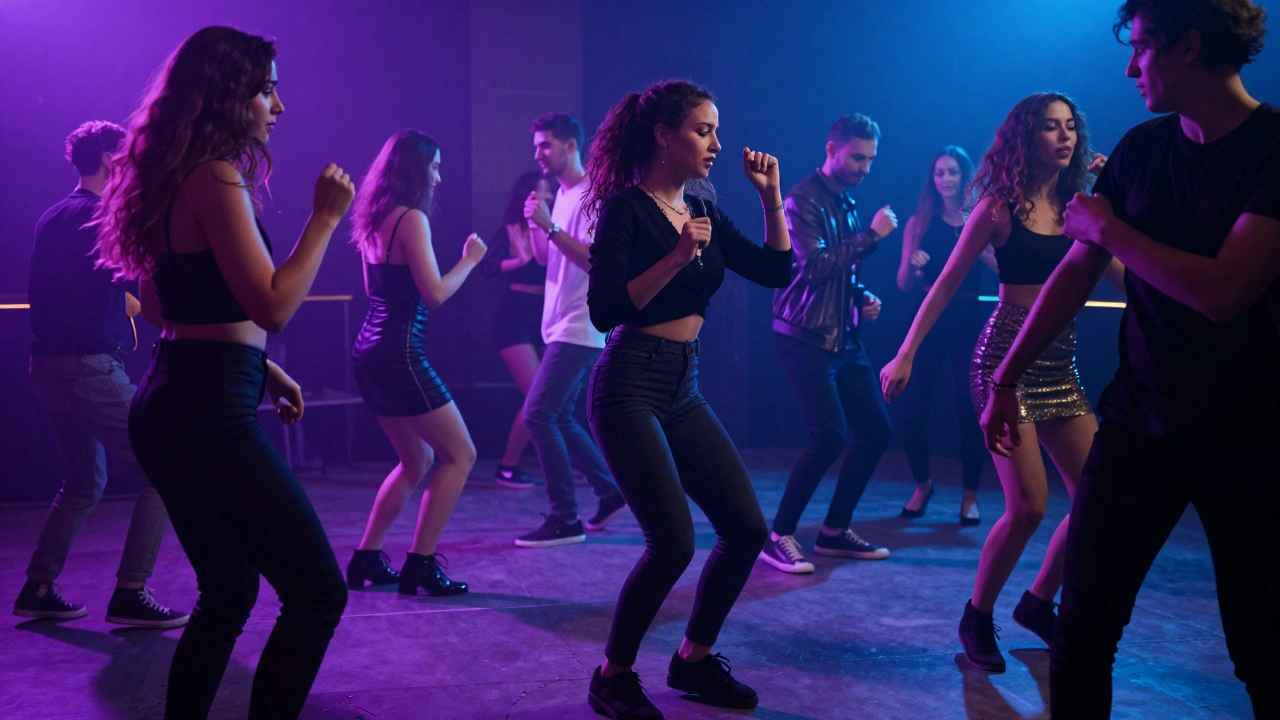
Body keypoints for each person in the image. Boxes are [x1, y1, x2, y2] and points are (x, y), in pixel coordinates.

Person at [979, 2, 1279, 716]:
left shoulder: (1272, 149)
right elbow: (1073, 275)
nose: (1129, 66)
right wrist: (1006, 377)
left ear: (1187, 47)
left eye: (1141, 48)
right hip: (1139, 424)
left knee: (1262, 646)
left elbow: (1223, 292)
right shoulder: (1144, 149)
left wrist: (1112, 229)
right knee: (1083, 633)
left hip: (1250, 437)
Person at [93, 26, 352, 718]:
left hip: (174, 397)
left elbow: (159, 304)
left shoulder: (174, 173)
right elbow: (273, 306)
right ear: (229, 94)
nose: (279, 105)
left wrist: (258, 367)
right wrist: (324, 221)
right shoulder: (214, 175)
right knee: (319, 593)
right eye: (268, 87)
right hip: (205, 412)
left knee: (230, 593)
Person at [880, 92, 1118, 673]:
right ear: (1025, 138)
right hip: (1002, 361)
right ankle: (977, 615)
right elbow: (943, 284)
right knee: (1030, 507)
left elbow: (1127, 274)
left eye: (1070, 128)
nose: (1064, 137)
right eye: (1050, 128)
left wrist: (1119, 208)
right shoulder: (996, 208)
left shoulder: (1081, 205)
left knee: (1100, 496)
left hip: (1060, 362)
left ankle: (1038, 604)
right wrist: (906, 352)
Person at [583, 79, 793, 719]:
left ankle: (693, 661)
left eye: (716, 129)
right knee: (671, 543)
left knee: (747, 530)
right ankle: (612, 676)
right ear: (664, 136)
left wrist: (772, 201)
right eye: (703, 130)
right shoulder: (627, 210)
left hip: (683, 383)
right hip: (628, 385)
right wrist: (677, 257)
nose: (716, 143)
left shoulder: (700, 198)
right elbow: (604, 311)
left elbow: (773, 271)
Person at [15, 120, 187, 628]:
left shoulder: (54, 216)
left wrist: (124, 302)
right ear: (112, 161)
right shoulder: (100, 218)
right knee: (166, 465)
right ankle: (131, 592)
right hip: (87, 370)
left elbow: (86, 286)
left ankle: (38, 587)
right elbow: (141, 267)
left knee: (83, 481)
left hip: (47, 369)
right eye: (129, 158)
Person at [347, 130, 485, 597]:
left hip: (371, 349)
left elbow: (379, 293)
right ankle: (420, 566)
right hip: (399, 353)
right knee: (460, 455)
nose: (440, 176)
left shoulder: (375, 216)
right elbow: (436, 294)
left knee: (416, 458)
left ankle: (366, 558)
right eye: (435, 167)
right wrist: (469, 261)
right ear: (415, 170)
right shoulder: (411, 219)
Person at [759, 113, 896, 576]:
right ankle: (777, 536)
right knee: (830, 436)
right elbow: (813, 268)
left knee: (876, 430)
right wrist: (873, 238)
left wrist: (861, 296)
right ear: (832, 149)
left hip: (844, 337)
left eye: (870, 159)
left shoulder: (848, 202)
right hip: (805, 337)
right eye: (857, 157)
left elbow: (840, 274)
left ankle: (834, 532)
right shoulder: (800, 200)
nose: (865, 167)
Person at [514, 112, 625, 548]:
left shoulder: (593, 193)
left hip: (581, 324)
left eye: (545, 145)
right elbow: (546, 260)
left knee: (538, 415)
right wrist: (536, 224)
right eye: (536, 146)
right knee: (557, 415)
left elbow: (595, 262)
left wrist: (551, 226)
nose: (538, 153)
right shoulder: (562, 195)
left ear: (570, 146)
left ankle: (565, 519)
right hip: (562, 322)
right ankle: (610, 491)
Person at [894, 146, 994, 525]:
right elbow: (903, 284)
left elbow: (1003, 269)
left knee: (970, 410)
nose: (945, 179)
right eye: (939, 173)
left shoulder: (980, 217)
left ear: (964, 175)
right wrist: (912, 262)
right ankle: (922, 485)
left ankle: (970, 496)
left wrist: (978, 244)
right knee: (914, 408)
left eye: (952, 172)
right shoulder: (919, 222)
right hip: (928, 320)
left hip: (969, 318)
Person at [478, 171, 557, 489]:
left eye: (549, 192)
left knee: (552, 397)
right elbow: (485, 267)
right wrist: (518, 259)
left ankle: (570, 461)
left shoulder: (553, 228)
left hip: (545, 316)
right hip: (514, 317)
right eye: (542, 192)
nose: (548, 196)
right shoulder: (510, 230)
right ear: (527, 196)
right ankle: (507, 467)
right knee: (536, 395)